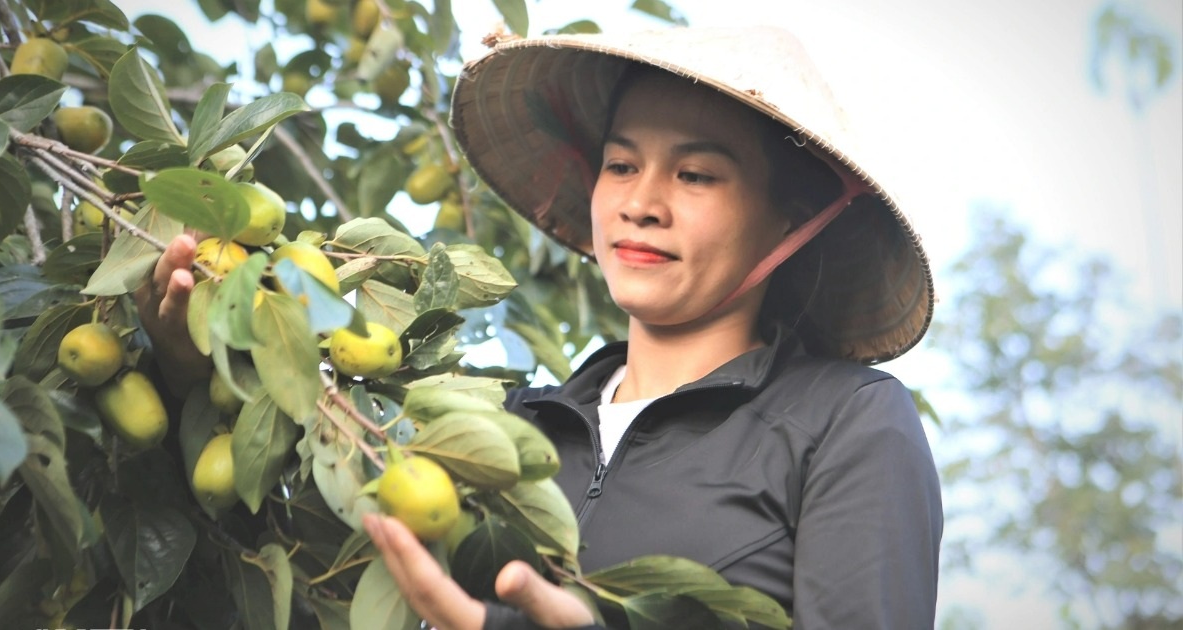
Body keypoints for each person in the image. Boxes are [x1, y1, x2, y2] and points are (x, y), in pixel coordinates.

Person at [138, 25, 941, 630]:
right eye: (621, 165)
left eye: (696, 174)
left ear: (788, 225)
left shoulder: (846, 422)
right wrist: (189, 375)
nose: (641, 201)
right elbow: (297, 563)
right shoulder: (514, 427)